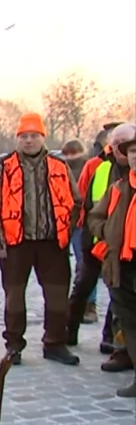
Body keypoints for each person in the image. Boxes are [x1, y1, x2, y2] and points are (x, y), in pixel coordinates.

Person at [0, 113, 81, 366]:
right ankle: (14, 345)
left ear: (42, 138)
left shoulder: (59, 167)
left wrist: (65, 232)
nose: (29, 141)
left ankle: (55, 343)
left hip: (52, 243)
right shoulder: (4, 168)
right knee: (14, 297)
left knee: (57, 296)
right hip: (17, 244)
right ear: (17, 139)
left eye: (34, 136)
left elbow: (76, 202)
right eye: (24, 136)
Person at [68, 123, 132, 372]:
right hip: (95, 242)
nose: (121, 149)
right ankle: (68, 331)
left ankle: (116, 344)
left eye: (126, 144)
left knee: (119, 297)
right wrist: (97, 234)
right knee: (83, 285)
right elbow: (86, 202)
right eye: (116, 144)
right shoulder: (99, 167)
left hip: (125, 249)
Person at [86, 123, 136, 398]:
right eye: (132, 153)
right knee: (130, 323)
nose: (135, 157)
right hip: (122, 264)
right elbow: (94, 216)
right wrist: (109, 234)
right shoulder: (119, 188)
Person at [62, 139, 98, 323]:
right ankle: (77, 305)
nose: (69, 157)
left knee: (85, 265)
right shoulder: (62, 168)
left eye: (71, 153)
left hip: (82, 223)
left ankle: (88, 305)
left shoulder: (89, 167)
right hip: (67, 222)